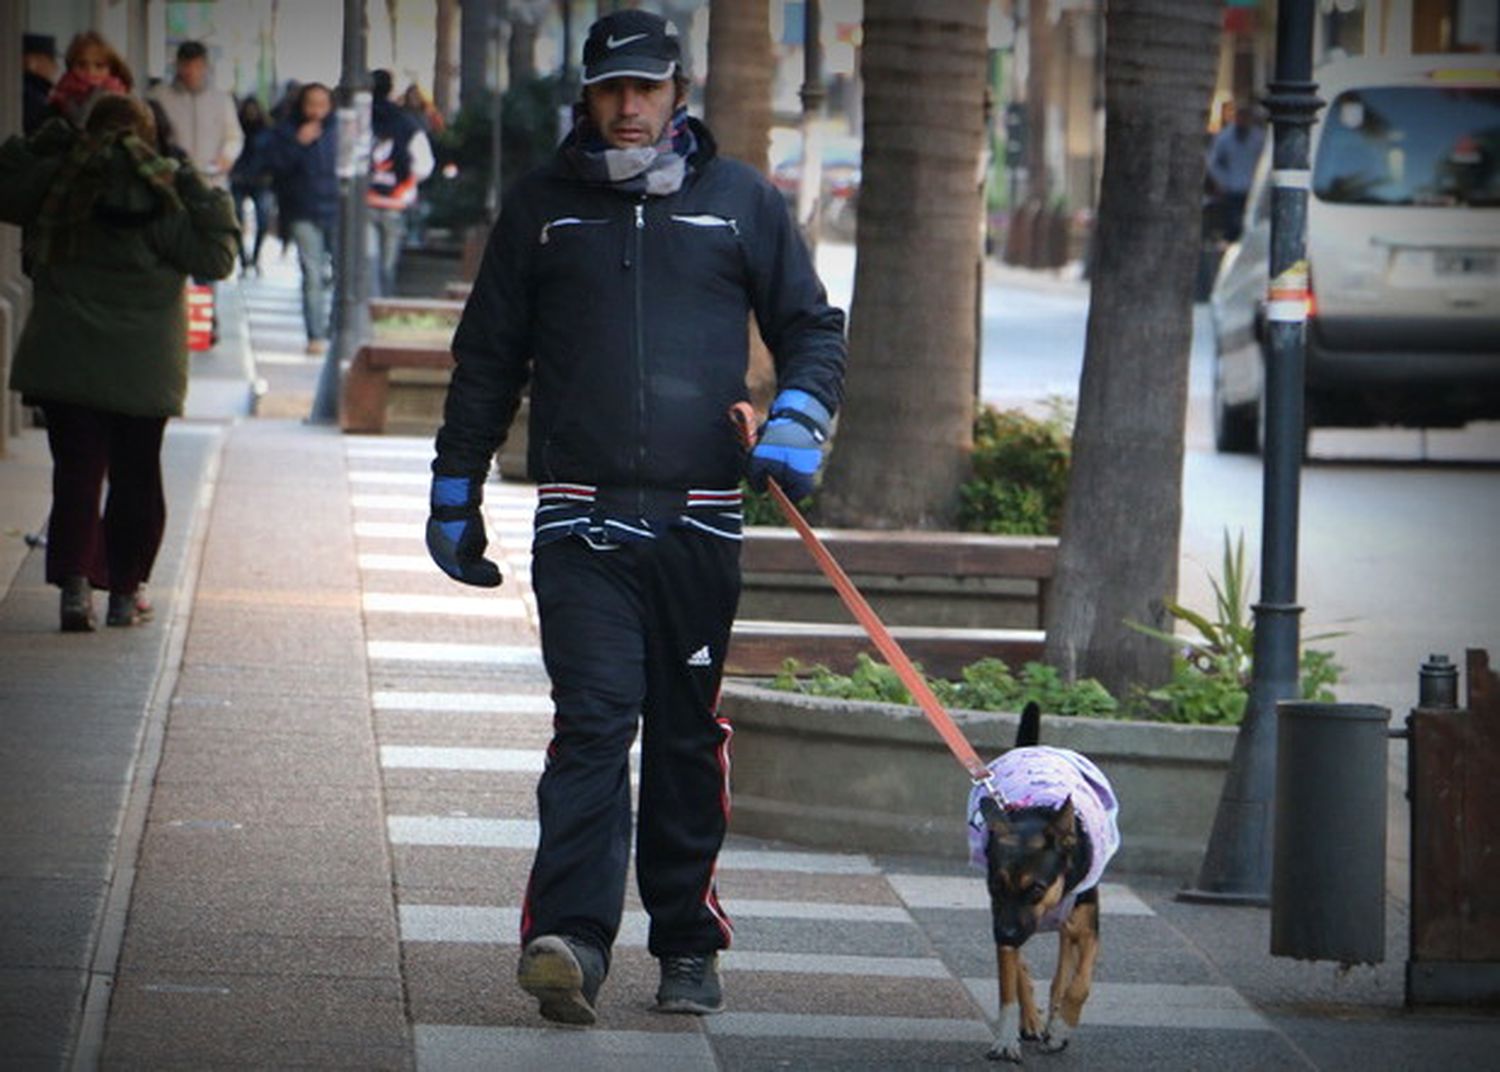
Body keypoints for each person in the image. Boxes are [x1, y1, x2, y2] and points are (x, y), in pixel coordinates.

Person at [424, 9, 846, 1026]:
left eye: (645, 89)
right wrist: (455, 489)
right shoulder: (542, 210)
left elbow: (811, 328)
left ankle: (688, 943)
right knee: (594, 723)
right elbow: (486, 361)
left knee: (687, 738)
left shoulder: (740, 202)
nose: (627, 107)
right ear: (587, 94)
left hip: (701, 520)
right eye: (611, 89)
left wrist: (797, 416)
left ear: (677, 93)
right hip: (583, 518)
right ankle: (568, 939)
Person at [0, 94, 238, 631]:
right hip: (144, 364)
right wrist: (194, 181)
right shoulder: (168, 191)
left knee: (78, 473)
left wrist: (50, 139)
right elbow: (216, 257)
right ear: (152, 136)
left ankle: (76, 588)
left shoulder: (61, 177)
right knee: (136, 477)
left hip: (68, 358)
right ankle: (126, 594)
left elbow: (5, 178)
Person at [263, 82, 338, 353]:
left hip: (337, 210)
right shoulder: (287, 131)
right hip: (302, 209)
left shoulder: (339, 131)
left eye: (322, 104)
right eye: (311, 104)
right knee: (312, 274)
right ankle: (315, 334)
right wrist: (298, 143)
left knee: (342, 274)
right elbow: (273, 166)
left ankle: (335, 330)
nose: (317, 111)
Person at [366, 69, 434, 296]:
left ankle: (371, 304)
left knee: (368, 260)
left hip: (365, 200)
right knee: (387, 263)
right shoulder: (406, 123)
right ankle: (381, 305)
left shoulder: (360, 118)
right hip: (395, 202)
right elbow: (424, 163)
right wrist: (407, 184)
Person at [148, 40, 242, 190]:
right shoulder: (159, 97)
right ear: (177, 65)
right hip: (173, 184)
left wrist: (227, 156)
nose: (192, 72)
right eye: (186, 66)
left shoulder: (221, 99)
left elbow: (234, 136)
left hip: (212, 183)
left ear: (205, 66)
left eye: (198, 66)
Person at [1205, 100, 1265, 243]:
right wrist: (1222, 182)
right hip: (1232, 188)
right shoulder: (1224, 137)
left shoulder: (1259, 137)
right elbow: (1213, 162)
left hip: (1252, 188)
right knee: (1233, 225)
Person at [46, 31, 132, 128]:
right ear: (71, 66)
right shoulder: (59, 98)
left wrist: (99, 92)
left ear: (111, 69)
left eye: (99, 66)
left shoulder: (123, 102)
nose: (90, 71)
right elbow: (79, 124)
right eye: (81, 65)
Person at [230, 96, 275, 273]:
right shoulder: (237, 129)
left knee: (262, 221)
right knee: (236, 221)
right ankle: (243, 258)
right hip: (240, 179)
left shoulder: (267, 131)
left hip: (260, 180)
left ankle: (255, 257)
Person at [22, 33, 58, 136]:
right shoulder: (32, 97)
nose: (55, 66)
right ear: (31, 62)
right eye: (49, 60)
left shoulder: (34, 92)